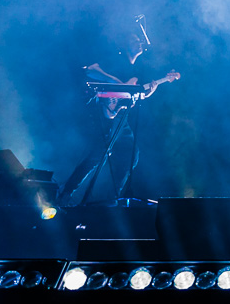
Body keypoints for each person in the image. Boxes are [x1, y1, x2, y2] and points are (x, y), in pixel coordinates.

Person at [58, 26, 179, 206]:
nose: (138, 42)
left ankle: (111, 199)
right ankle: (67, 193)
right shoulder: (115, 60)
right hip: (104, 111)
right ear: (124, 45)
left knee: (130, 154)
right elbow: (90, 69)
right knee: (99, 154)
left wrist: (151, 90)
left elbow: (137, 95)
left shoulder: (139, 69)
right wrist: (117, 83)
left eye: (139, 40)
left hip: (121, 117)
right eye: (133, 40)